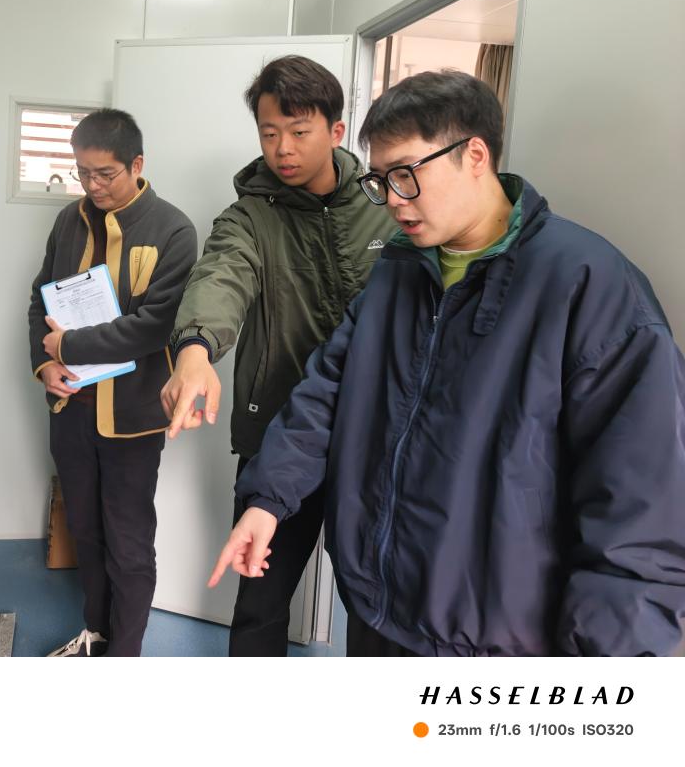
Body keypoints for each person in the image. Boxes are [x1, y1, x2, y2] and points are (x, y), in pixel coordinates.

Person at [209, 70, 685, 656]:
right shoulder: (399, 271)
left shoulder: (589, 288)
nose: (393, 200)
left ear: (475, 155)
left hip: (494, 643)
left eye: (406, 174)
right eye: (381, 181)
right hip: (378, 613)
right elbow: (326, 394)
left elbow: (640, 513)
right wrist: (268, 500)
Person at [162, 55, 397, 655]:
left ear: (336, 131)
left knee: (377, 609)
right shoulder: (249, 218)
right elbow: (221, 277)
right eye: (269, 133)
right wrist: (195, 351)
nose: (283, 148)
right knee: (260, 605)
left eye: (299, 131)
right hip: (278, 435)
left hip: (375, 438)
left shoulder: (387, 206)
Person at [28, 108, 196, 657]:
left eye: (105, 174)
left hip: (132, 418)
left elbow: (154, 327)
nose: (93, 185)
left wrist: (68, 347)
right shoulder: (68, 222)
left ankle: (125, 656)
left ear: (137, 165)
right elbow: (39, 301)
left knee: (128, 542)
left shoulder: (173, 229)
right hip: (72, 409)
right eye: (83, 173)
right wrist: (46, 366)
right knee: (86, 530)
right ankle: (95, 636)